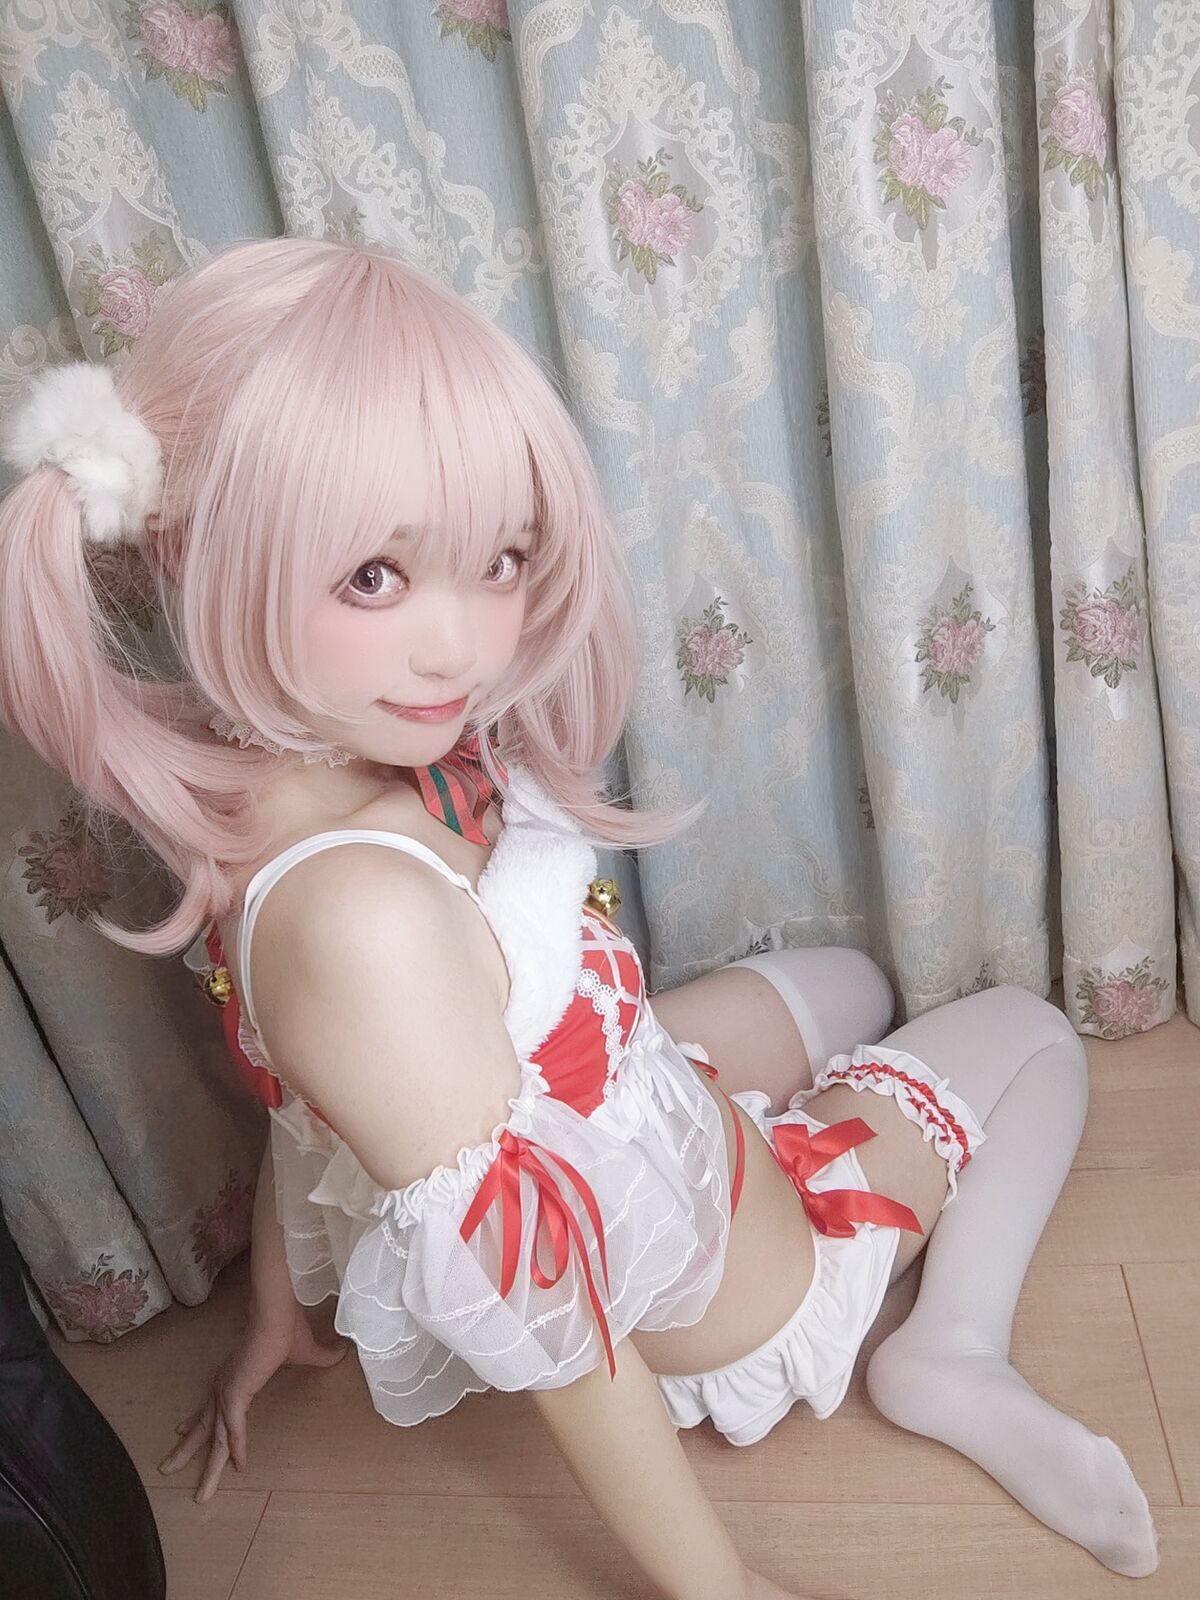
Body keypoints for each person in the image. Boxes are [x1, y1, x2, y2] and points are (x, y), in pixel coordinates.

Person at [0, 238, 1158, 1599]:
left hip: (633, 1101)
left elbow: (302, 1098)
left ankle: (788, 1141)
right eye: (373, 576)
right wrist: (723, 1591)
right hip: (751, 1285)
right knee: (1031, 1035)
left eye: (499, 559)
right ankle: (949, 1349)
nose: (462, 648)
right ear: (192, 547)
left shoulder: (262, 784)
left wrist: (273, 1305)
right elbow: (554, 1310)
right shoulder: (361, 925)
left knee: (852, 979)